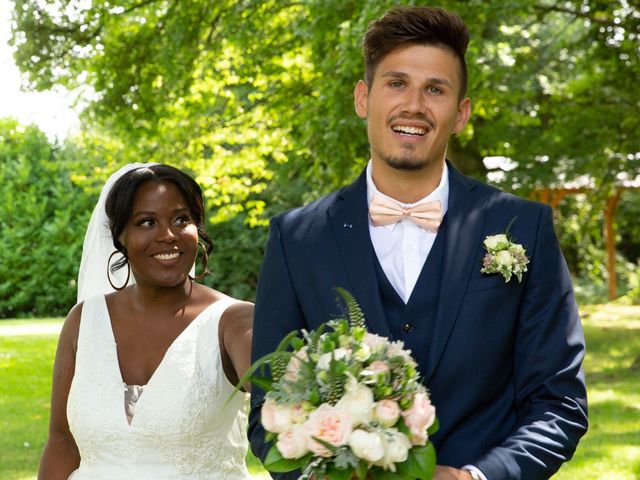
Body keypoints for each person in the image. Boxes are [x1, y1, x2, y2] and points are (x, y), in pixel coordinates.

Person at [249, 6, 587, 480]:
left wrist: (477, 477)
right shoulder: (296, 238)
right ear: (363, 98)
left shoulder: (523, 227)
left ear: (461, 112)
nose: (414, 105)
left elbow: (559, 403)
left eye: (435, 89)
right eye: (396, 83)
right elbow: (268, 411)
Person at [39, 163, 253, 479]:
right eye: (146, 222)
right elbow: (62, 441)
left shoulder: (235, 321)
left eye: (182, 219)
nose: (167, 235)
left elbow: (283, 402)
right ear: (119, 235)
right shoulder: (83, 321)